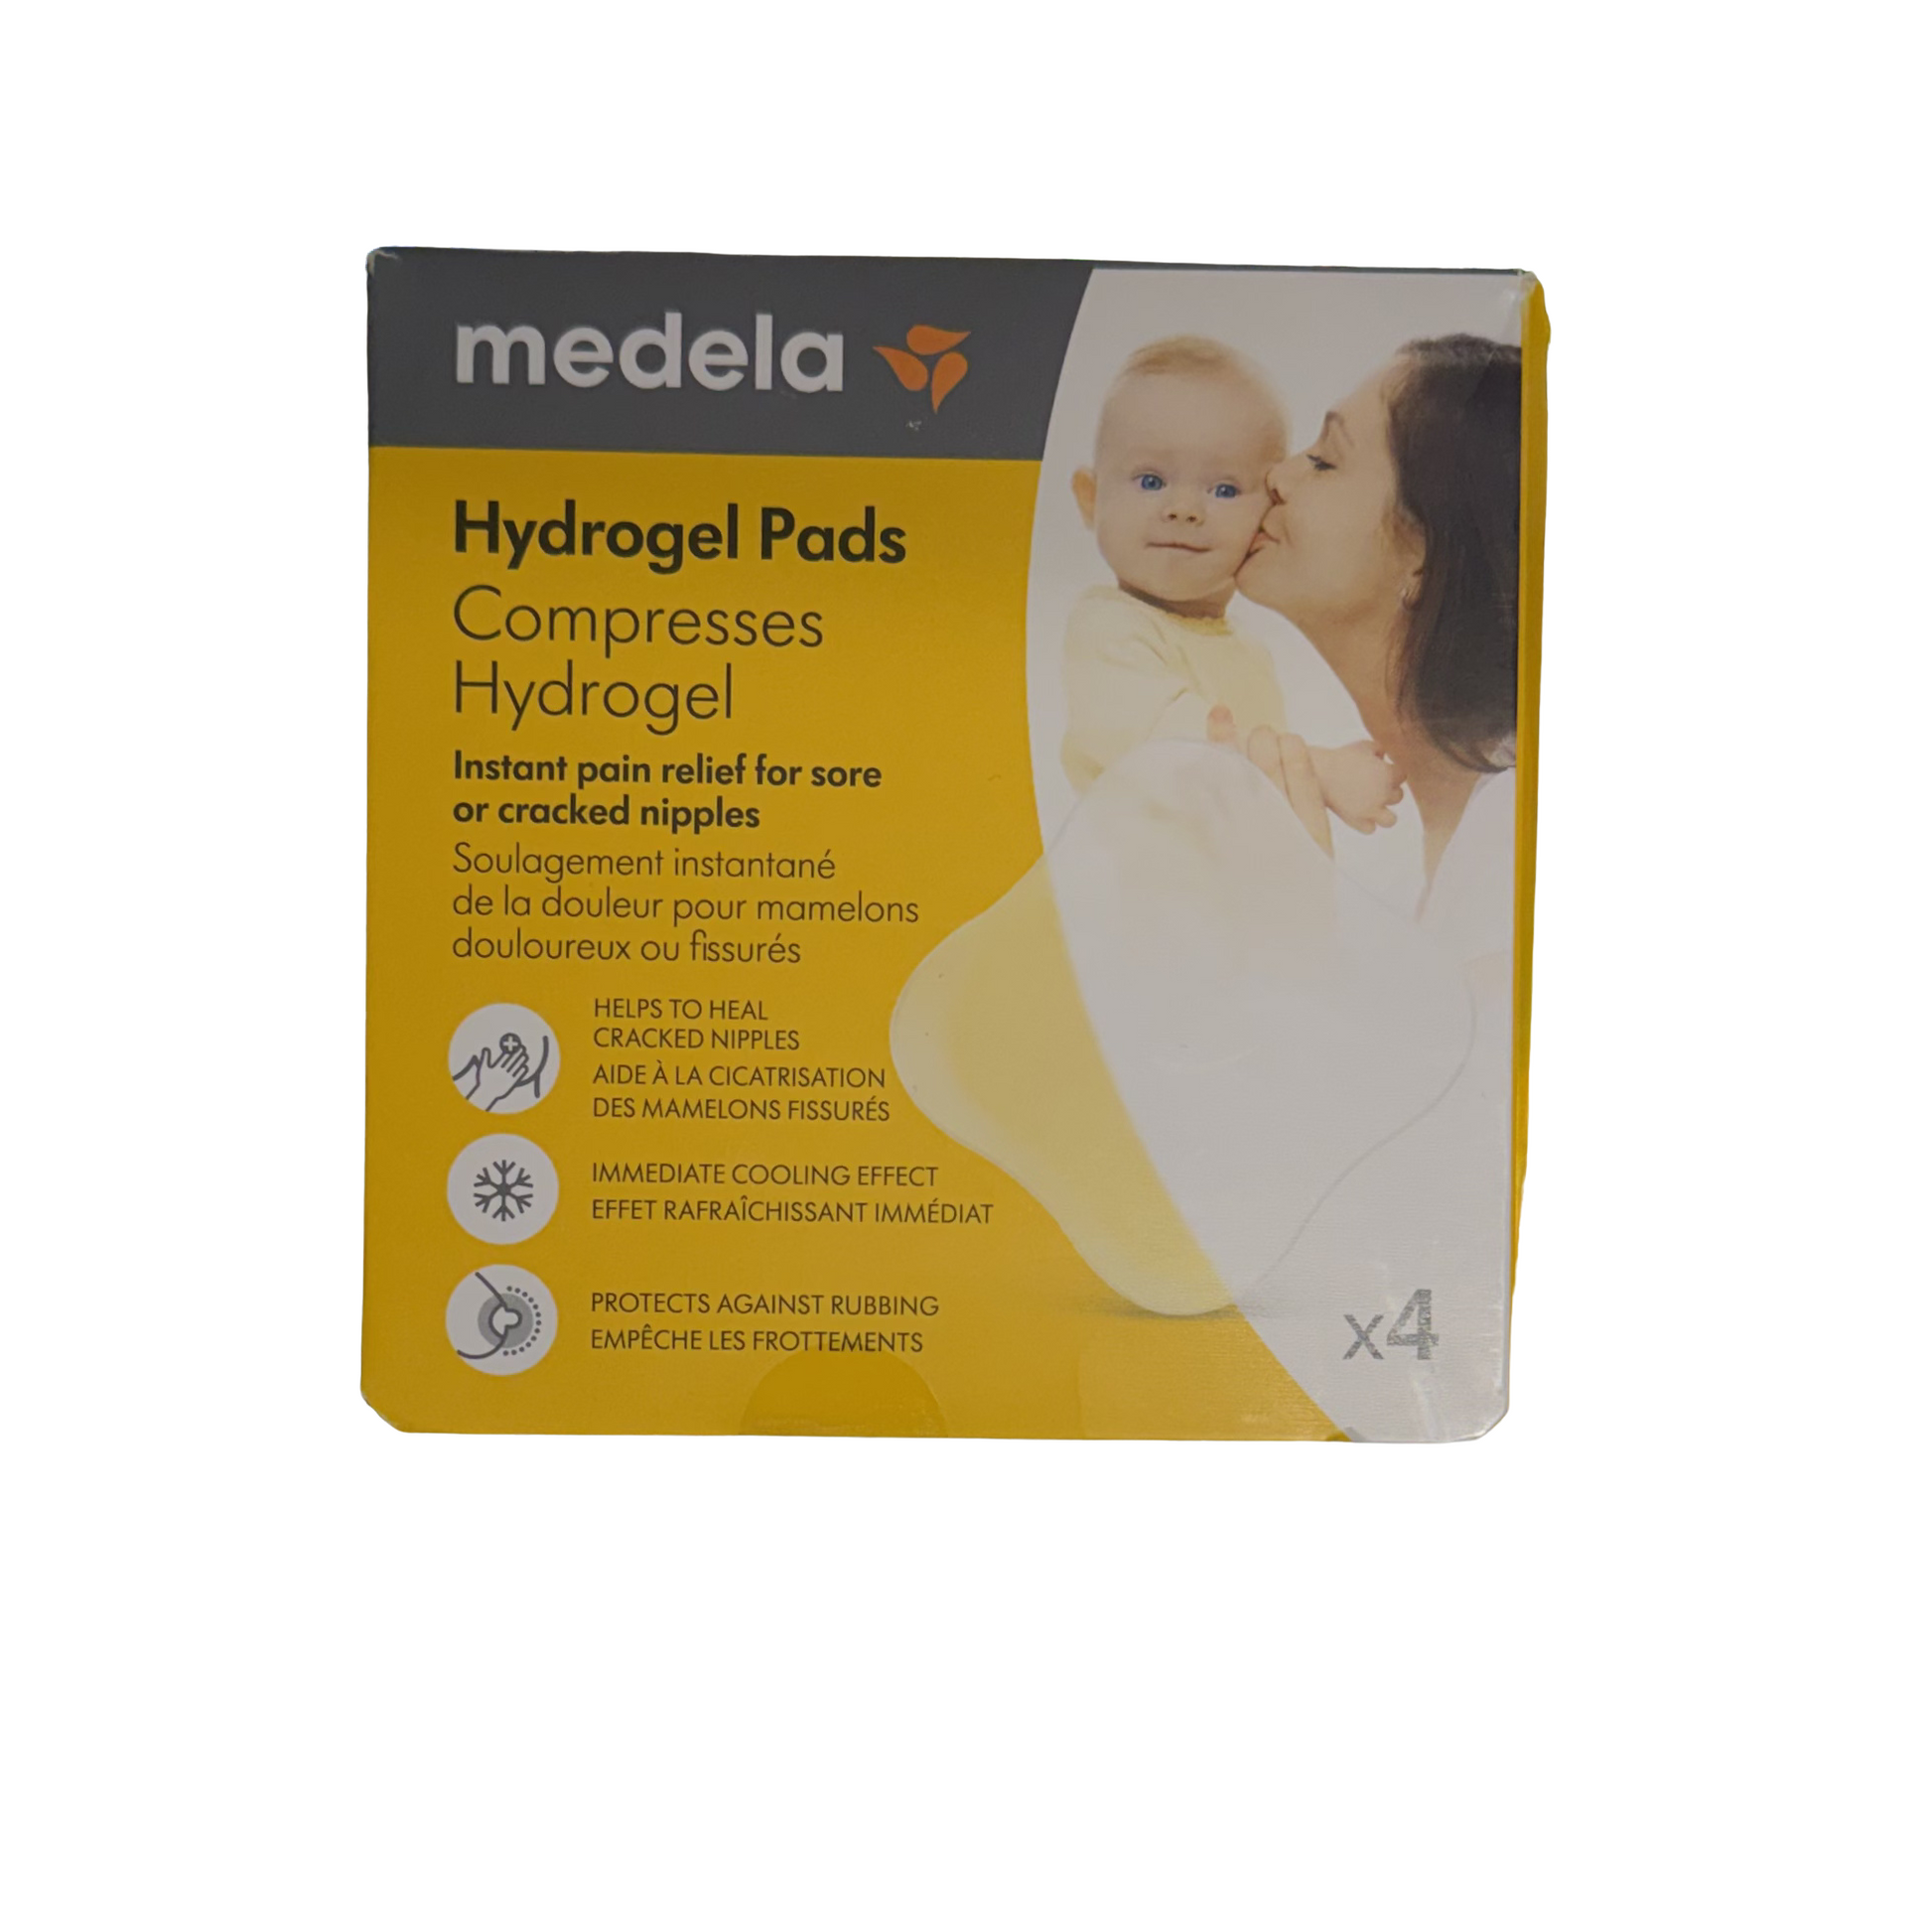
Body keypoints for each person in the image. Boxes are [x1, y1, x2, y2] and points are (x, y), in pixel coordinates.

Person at [892, 332, 1524, 1439]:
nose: (1270, 479)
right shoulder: (1146, 647)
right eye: (1155, 478)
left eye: (1320, 458)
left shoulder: (1492, 896)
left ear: (1422, 553)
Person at [1058, 336, 1402, 834]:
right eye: (1151, 481)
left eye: (1224, 489)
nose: (1184, 509)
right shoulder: (1107, 629)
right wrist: (1318, 771)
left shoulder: (1247, 649)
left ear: (1268, 514)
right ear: (1091, 499)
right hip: (1137, 878)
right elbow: (1168, 750)